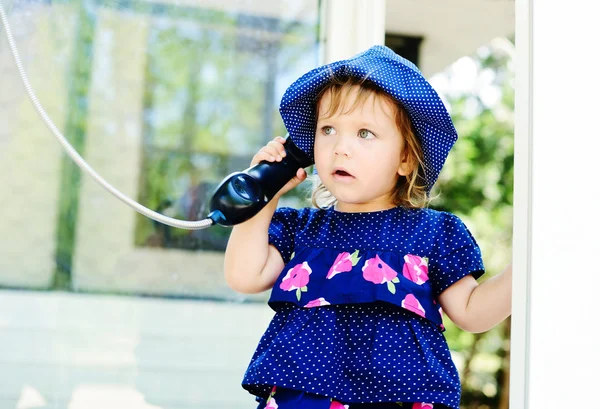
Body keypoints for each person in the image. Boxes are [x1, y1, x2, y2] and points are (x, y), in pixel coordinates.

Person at [223, 45, 512, 409]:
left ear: (406, 158)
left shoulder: (434, 233)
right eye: (328, 129)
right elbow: (244, 276)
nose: (340, 147)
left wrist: (530, 266)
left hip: (401, 397)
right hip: (304, 396)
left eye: (364, 133)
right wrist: (262, 194)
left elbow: (471, 312)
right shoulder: (302, 228)